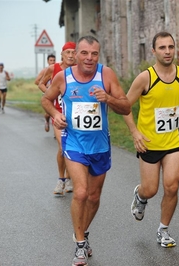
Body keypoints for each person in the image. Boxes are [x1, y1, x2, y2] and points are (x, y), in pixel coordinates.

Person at [42, 35, 131, 266]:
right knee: (80, 193)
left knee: (93, 196)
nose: (89, 58)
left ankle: (83, 233)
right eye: (84, 53)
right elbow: (46, 99)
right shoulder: (64, 77)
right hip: (74, 143)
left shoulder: (106, 75)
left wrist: (108, 98)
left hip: (100, 146)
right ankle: (80, 245)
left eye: (94, 54)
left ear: (98, 55)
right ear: (76, 54)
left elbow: (126, 106)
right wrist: (56, 115)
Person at [123, 31, 179, 248]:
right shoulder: (145, 78)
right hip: (149, 144)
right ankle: (140, 197)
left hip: (173, 142)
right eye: (162, 47)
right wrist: (135, 132)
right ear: (154, 51)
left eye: (170, 47)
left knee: (172, 186)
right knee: (151, 189)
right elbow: (124, 106)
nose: (167, 51)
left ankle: (163, 230)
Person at [38, 43, 76, 195]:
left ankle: (69, 178)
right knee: (63, 146)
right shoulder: (53, 69)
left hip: (75, 115)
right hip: (58, 113)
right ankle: (61, 180)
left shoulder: (80, 70)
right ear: (62, 54)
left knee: (72, 148)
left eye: (74, 52)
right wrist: (51, 93)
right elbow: (40, 83)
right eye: (68, 52)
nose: (71, 55)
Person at [35, 54, 56, 132]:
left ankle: (56, 131)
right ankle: (47, 120)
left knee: (56, 111)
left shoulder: (57, 69)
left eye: (54, 60)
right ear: (48, 61)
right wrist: (47, 86)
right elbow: (37, 81)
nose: (52, 62)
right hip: (47, 93)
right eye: (51, 60)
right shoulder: (45, 70)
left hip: (56, 94)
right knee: (48, 114)